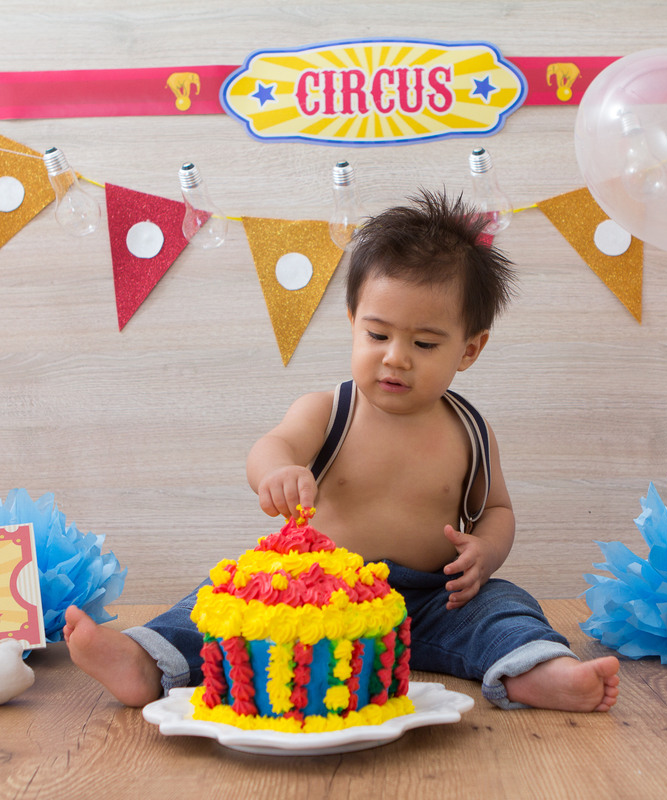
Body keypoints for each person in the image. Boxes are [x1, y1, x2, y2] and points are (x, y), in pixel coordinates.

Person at [64, 190, 619, 713]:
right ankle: (146, 659)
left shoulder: (472, 430)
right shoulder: (329, 411)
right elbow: (272, 446)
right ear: (354, 323)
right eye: (378, 335)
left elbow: (497, 510)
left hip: (429, 602)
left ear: (469, 349)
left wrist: (485, 555)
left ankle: (540, 669)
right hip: (311, 595)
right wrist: (276, 471)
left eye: (424, 344)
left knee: (504, 607)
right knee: (218, 600)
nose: (396, 357)